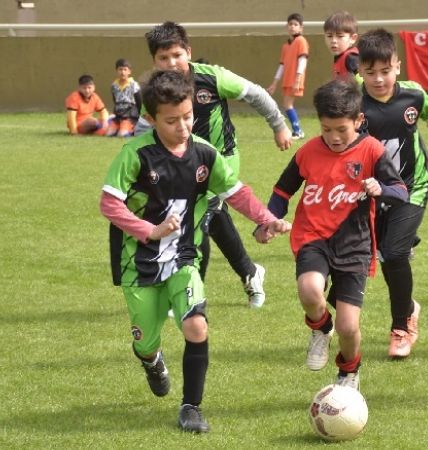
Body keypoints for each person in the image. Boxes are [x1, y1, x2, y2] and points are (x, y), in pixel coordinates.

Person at [100, 70, 291, 433]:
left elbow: (235, 192)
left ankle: (191, 407)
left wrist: (267, 219)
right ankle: (151, 358)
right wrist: (150, 231)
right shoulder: (135, 155)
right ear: (152, 119)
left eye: (187, 116)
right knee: (145, 339)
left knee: (196, 326)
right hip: (137, 264)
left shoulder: (205, 153)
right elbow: (110, 204)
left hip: (185, 258)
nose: (183, 126)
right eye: (172, 121)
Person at [257, 79, 408, 390]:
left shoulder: (372, 150)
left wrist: (381, 189)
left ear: (358, 121)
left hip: (355, 245)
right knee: (310, 290)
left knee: (349, 327)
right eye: (327, 129)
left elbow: (401, 192)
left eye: (342, 129)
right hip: (313, 236)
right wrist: (268, 221)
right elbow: (282, 192)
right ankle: (319, 327)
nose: (334, 137)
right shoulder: (308, 152)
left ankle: (349, 371)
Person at [142, 21, 293, 308]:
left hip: (221, 160)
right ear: (154, 61)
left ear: (188, 51)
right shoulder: (153, 90)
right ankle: (250, 272)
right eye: (163, 58)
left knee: (198, 219)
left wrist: (279, 125)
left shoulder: (213, 78)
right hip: (180, 167)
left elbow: (257, 94)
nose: (171, 63)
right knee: (211, 220)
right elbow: (144, 126)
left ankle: (190, 296)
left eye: (177, 55)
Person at [356, 28, 428, 358]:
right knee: (391, 260)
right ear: (360, 71)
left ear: (397, 65)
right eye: (370, 72)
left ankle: (401, 328)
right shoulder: (355, 101)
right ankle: (409, 307)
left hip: (413, 187)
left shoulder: (413, 95)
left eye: (385, 70)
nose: (379, 79)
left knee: (393, 254)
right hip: (376, 193)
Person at [267, 13, 309, 139]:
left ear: (301, 28)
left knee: (288, 104)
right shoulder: (286, 46)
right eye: (290, 24)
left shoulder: (301, 41)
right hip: (287, 80)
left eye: (295, 24)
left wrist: (298, 79)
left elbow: (303, 61)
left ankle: (298, 131)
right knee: (286, 105)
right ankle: (296, 130)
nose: (292, 27)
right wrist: (274, 83)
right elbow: (282, 66)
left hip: (294, 80)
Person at [106, 58, 141, 137]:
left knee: (122, 135)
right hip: (119, 115)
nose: (122, 72)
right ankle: (119, 126)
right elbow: (115, 100)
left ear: (129, 71)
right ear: (116, 71)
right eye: (120, 69)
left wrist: (140, 117)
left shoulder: (134, 85)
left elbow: (139, 102)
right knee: (108, 134)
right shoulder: (114, 86)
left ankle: (133, 129)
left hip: (130, 116)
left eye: (125, 70)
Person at [323, 10, 360, 80]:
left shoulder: (351, 58)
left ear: (353, 38)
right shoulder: (339, 58)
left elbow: (363, 82)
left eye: (340, 36)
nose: (333, 41)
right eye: (329, 36)